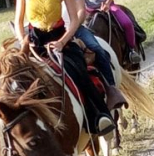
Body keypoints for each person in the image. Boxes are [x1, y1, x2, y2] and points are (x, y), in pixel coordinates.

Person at [15, 0, 116, 137]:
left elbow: (74, 20)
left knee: (79, 69)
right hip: (34, 43)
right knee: (19, 79)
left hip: (59, 38)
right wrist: (24, 43)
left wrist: (62, 42)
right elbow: (18, 22)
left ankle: (99, 115)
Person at [62, 0, 126, 108]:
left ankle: (112, 89)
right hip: (54, 35)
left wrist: (71, 30)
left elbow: (81, 12)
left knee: (97, 49)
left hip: (77, 29)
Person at [85, 0, 141, 64]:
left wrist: (107, 4)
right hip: (88, 11)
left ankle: (131, 50)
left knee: (127, 24)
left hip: (108, 6)